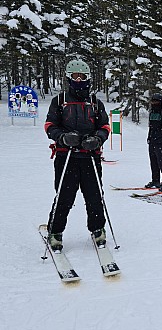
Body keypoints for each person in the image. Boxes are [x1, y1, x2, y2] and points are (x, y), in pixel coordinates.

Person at [44, 59, 110, 251]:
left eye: (82, 77)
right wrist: (63, 138)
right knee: (64, 196)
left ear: (88, 78)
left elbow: (105, 126)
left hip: (89, 156)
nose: (78, 80)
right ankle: (55, 231)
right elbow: (49, 126)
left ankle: (97, 229)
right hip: (67, 157)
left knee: (94, 195)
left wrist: (97, 139)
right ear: (68, 78)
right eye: (75, 76)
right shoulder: (60, 101)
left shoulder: (95, 103)